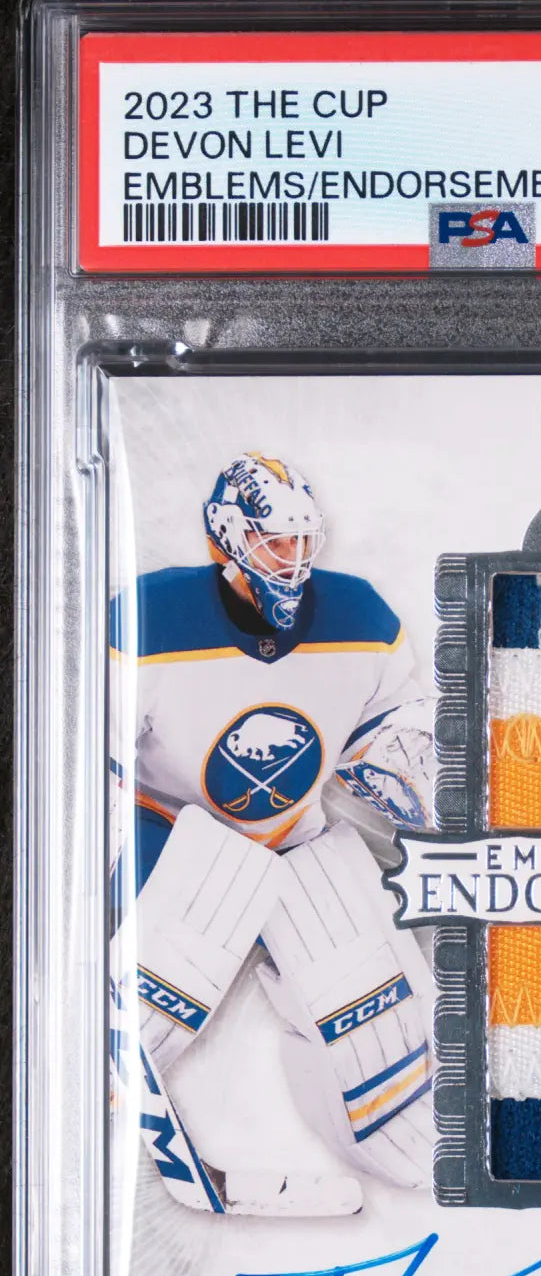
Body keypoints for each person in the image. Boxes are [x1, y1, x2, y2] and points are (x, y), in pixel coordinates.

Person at [108, 452, 435, 1216]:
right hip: (173, 840)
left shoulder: (361, 618)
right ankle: (102, 1098)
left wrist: (416, 778)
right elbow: (92, 759)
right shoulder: (150, 618)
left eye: (301, 540)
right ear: (228, 537)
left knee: (381, 1038)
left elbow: (381, 737)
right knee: (147, 1008)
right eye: (273, 540)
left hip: (295, 841)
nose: (291, 557)